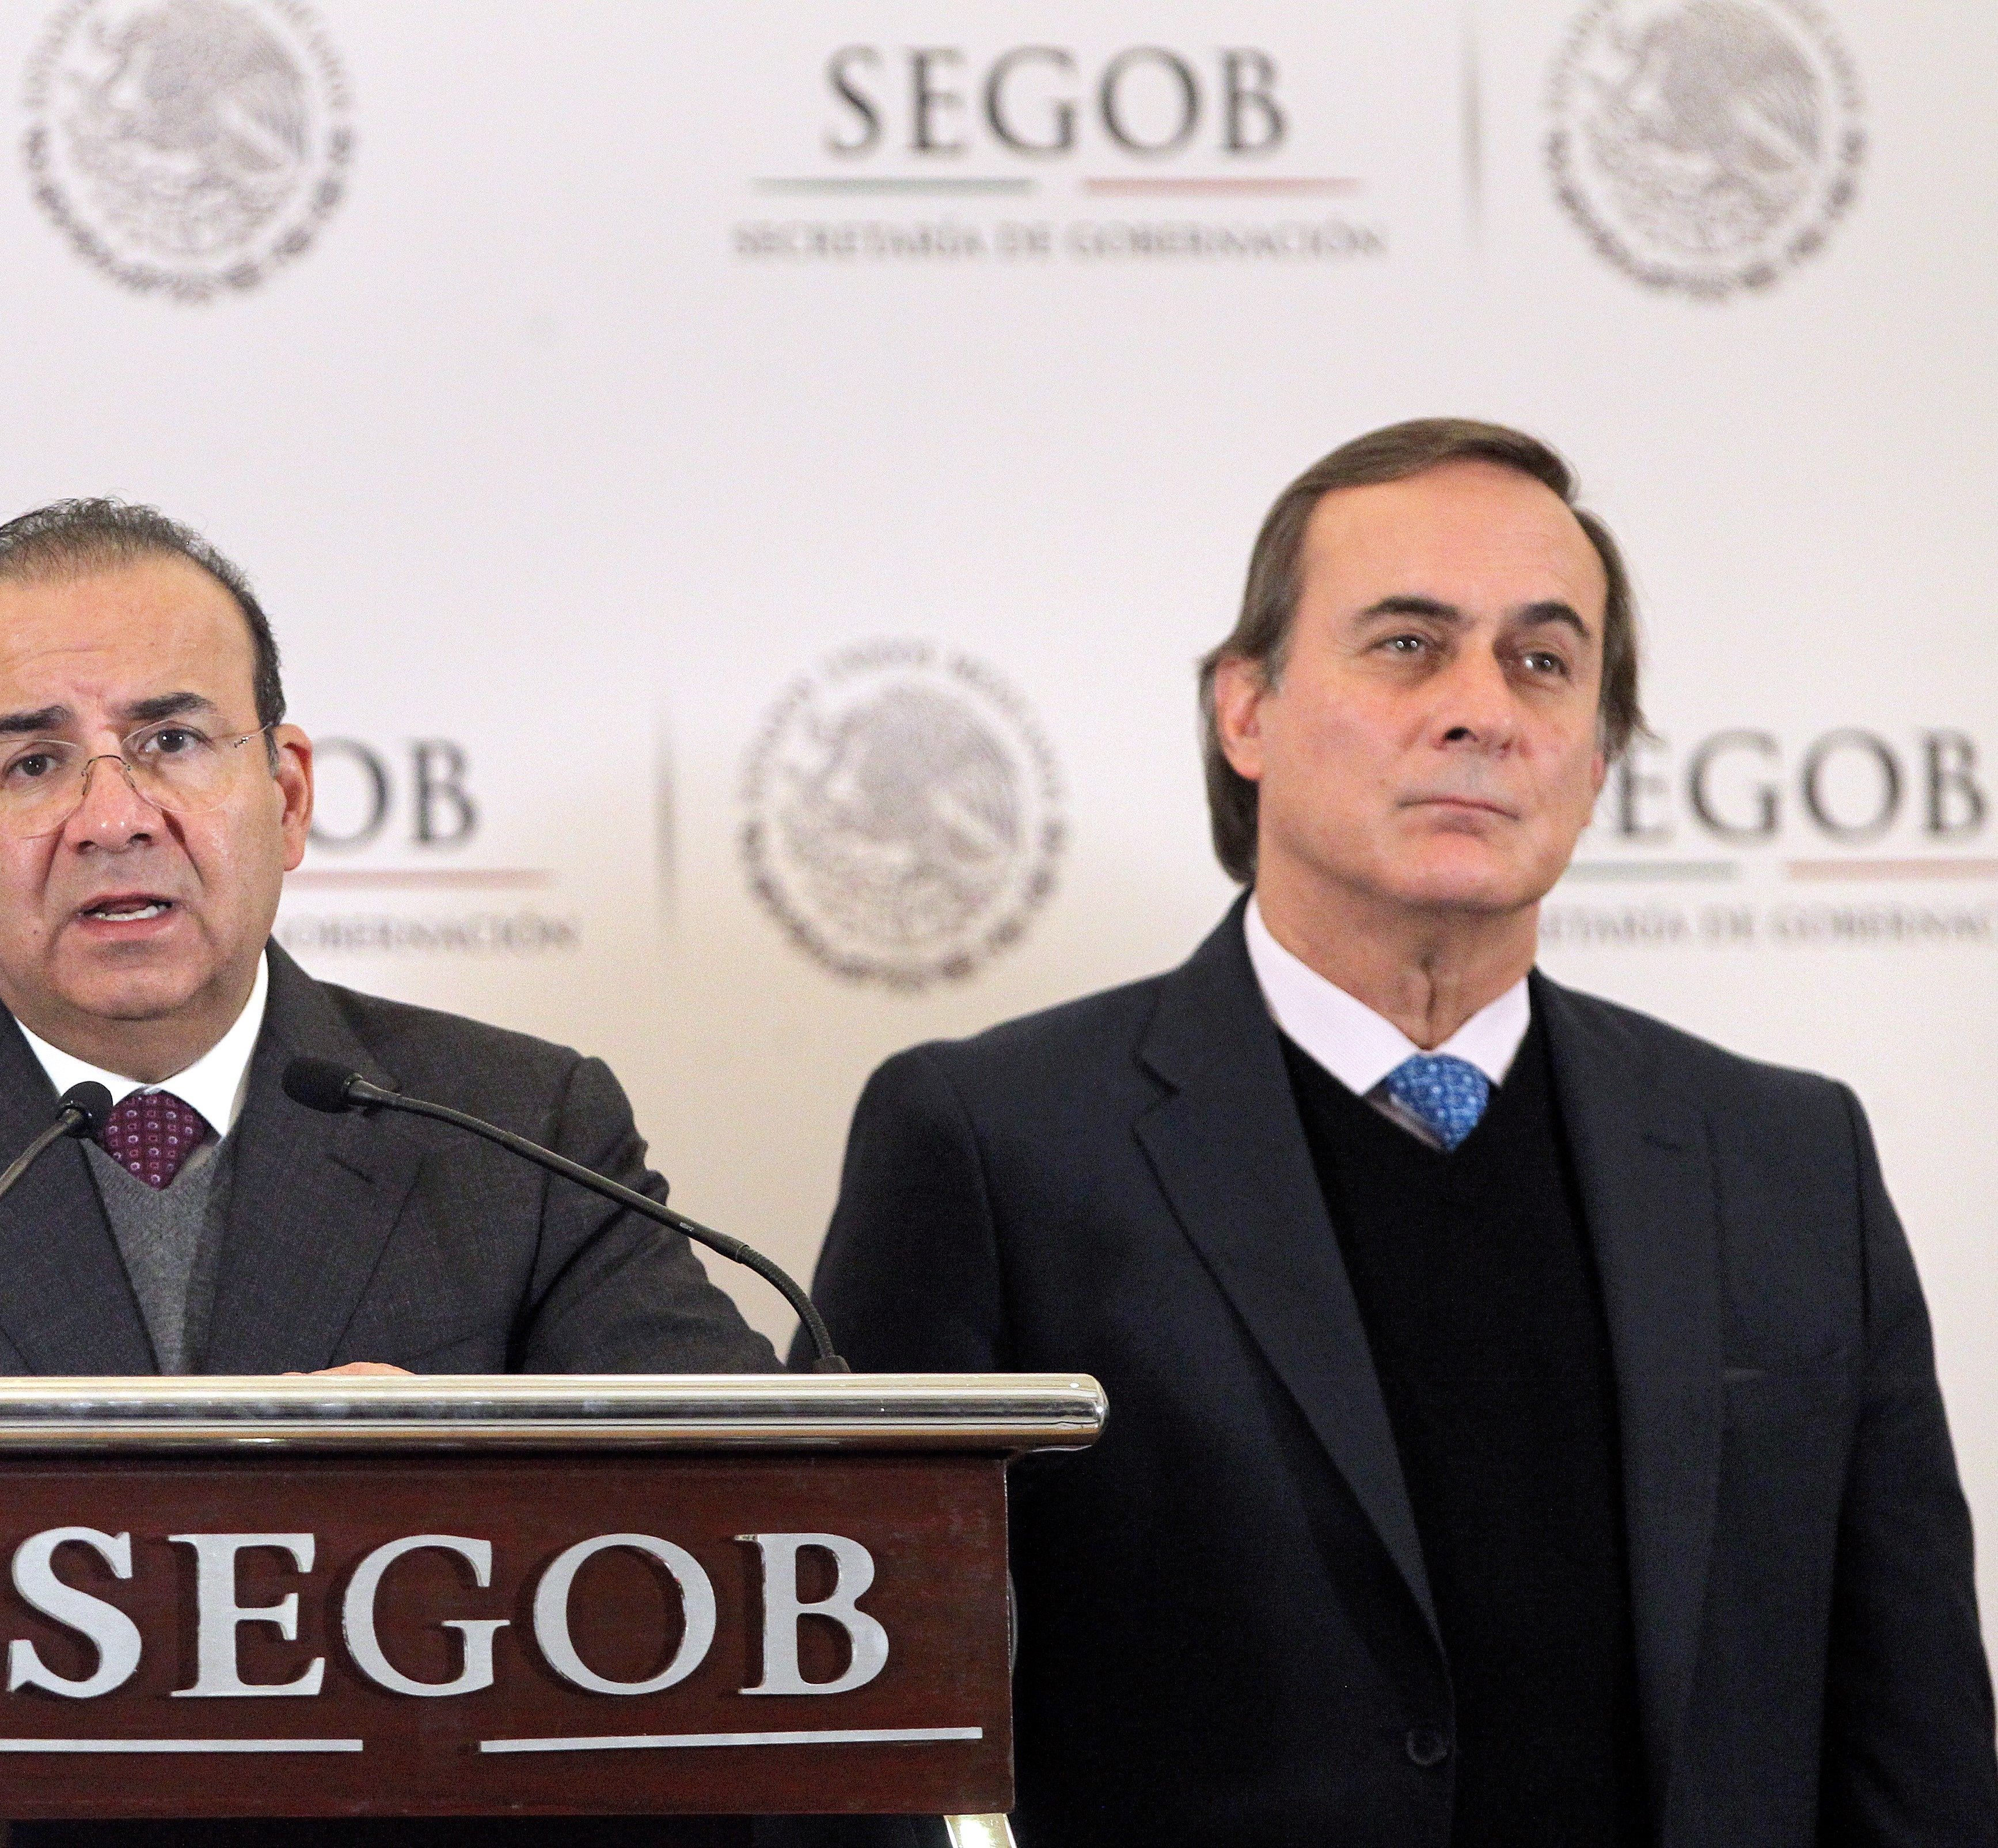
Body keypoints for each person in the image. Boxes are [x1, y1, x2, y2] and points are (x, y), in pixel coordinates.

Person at [803, 420, 1998, 1846]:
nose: (1482, 709)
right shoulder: (995, 1147)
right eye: (1409, 646)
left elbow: (1915, 1752)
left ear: (1599, 754)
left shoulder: (1790, 1158)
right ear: (1243, 710)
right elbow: (850, 1737)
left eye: (1545, 662)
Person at [0, 498, 778, 1846]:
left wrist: (461, 1490)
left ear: (285, 793)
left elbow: (758, 1527)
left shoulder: (517, 1119)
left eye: (170, 740)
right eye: (34, 764)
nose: (113, 817)